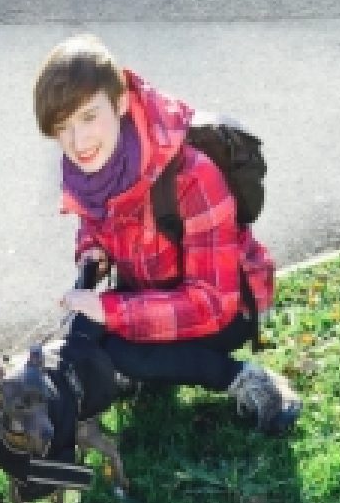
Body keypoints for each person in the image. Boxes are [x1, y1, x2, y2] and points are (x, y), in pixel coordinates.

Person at [33, 33, 301, 434]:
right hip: (152, 283)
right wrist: (92, 253)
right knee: (88, 337)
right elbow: (93, 223)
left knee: (122, 350)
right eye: (63, 127)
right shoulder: (90, 169)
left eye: (89, 116)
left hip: (227, 306)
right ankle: (145, 367)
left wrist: (112, 311)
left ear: (120, 103)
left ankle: (252, 383)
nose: (78, 140)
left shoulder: (191, 175)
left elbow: (213, 302)